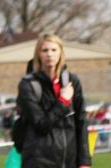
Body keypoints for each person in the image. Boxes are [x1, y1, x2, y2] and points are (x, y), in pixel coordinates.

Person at [16, 33, 91, 168]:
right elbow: (41, 124)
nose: (49, 54)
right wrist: (63, 101)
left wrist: (84, 161)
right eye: (45, 50)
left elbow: (81, 122)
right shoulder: (28, 85)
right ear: (38, 54)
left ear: (61, 53)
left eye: (54, 50)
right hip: (38, 160)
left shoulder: (72, 81)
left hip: (69, 160)